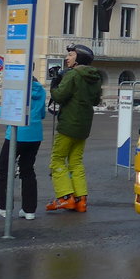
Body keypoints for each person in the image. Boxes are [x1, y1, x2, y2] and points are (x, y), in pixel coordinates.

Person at [46, 44, 103, 212]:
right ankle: (80, 199)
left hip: (68, 124)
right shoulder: (95, 77)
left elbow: (59, 96)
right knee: (76, 162)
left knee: (57, 160)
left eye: (70, 55)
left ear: (78, 59)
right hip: (84, 126)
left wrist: (54, 84)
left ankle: (65, 197)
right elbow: (95, 101)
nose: (67, 58)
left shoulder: (73, 75)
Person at [0, 76, 46, 219]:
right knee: (27, 170)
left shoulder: (17, 88)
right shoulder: (40, 89)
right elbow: (42, 114)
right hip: (35, 134)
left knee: (3, 170)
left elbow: (9, 112)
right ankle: (29, 209)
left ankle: (3, 206)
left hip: (17, 134)